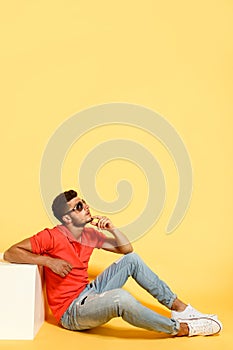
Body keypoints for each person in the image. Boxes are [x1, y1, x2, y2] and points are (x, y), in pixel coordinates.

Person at [4, 190, 222, 337]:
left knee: (132, 261)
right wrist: (49, 261)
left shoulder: (89, 234)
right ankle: (181, 328)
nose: (86, 207)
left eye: (84, 202)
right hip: (70, 312)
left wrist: (112, 229)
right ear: (67, 218)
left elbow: (127, 250)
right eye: (79, 206)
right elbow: (11, 252)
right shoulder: (51, 237)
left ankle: (180, 309)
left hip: (88, 292)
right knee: (121, 298)